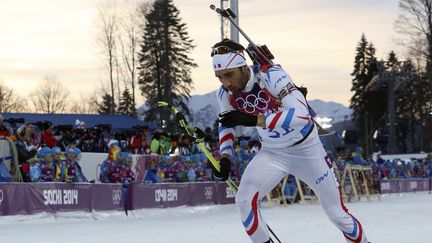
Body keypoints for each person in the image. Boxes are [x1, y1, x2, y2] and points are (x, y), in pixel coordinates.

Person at [211, 39, 369, 243]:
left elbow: (302, 115)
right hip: (272, 153)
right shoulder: (224, 93)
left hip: (308, 151)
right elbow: (226, 124)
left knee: (337, 214)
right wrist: (225, 156)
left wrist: (254, 120)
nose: (226, 83)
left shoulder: (270, 75)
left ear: (243, 67)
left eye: (229, 75)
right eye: (219, 77)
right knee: (244, 200)